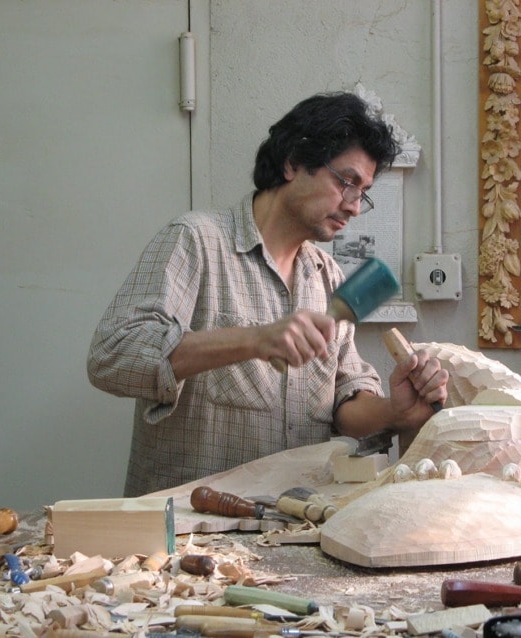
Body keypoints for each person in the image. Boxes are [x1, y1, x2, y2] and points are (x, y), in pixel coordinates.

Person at [87, 92, 449, 497]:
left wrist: (394, 411)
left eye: (362, 192)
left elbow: (345, 407)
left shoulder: (326, 276)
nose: (353, 207)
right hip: (192, 538)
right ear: (293, 163)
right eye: (346, 182)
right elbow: (111, 358)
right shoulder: (197, 241)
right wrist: (254, 339)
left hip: (289, 530)